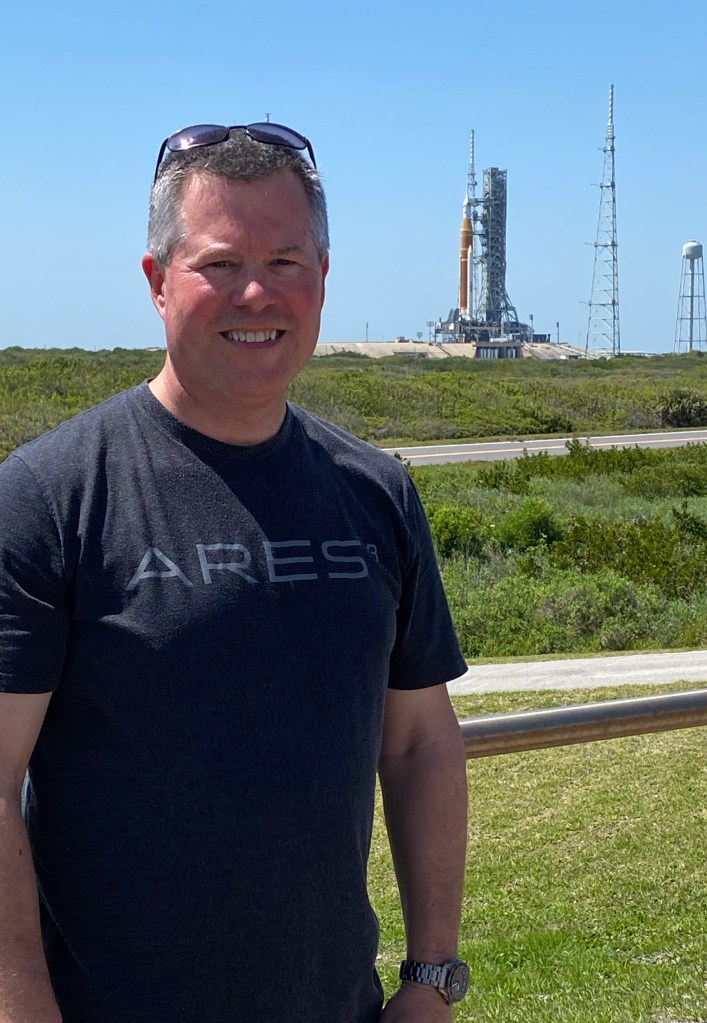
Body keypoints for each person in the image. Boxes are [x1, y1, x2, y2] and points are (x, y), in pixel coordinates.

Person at [0, 121, 469, 1023]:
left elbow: (417, 740)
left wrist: (432, 975)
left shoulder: (376, 492)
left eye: (287, 261)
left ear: (323, 281)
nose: (256, 292)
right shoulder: (48, 497)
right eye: (219, 263)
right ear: (156, 281)